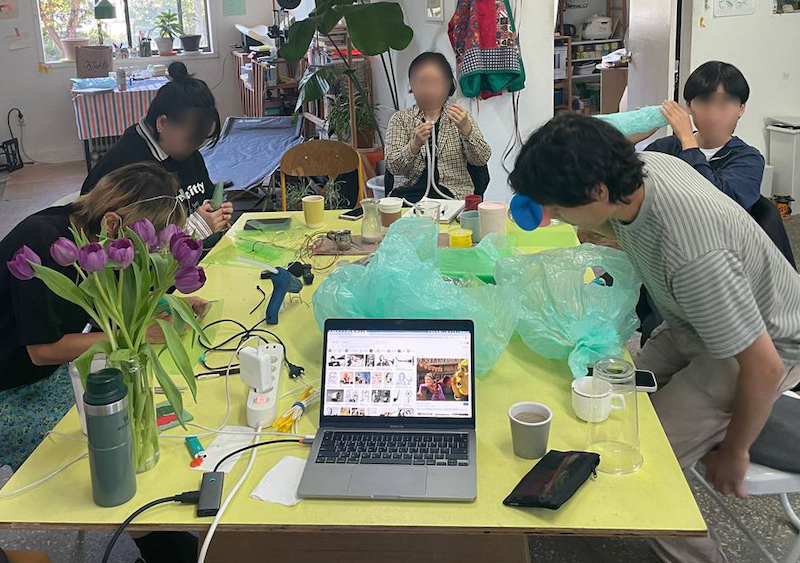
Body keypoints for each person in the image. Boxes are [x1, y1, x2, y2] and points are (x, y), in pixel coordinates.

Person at [510, 113, 800, 563]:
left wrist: (736, 451)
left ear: (598, 192)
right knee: (601, 392)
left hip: (757, 348)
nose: (554, 218)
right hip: (690, 320)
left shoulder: (694, 254)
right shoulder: (645, 169)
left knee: (637, 460)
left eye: (559, 209)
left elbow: (764, 367)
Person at [0, 162, 204, 391]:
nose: (149, 253)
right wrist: (139, 335)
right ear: (112, 223)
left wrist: (166, 304)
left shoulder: (97, 239)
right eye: (146, 243)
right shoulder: (41, 242)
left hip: (53, 366)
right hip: (15, 380)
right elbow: (42, 351)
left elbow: (107, 308)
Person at [80, 62, 233, 240]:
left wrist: (213, 212)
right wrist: (192, 230)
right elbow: (126, 243)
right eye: (189, 139)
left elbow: (203, 192)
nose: (195, 147)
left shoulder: (185, 152)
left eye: (200, 139)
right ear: (162, 123)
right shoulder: (128, 168)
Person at [646, 61, 763, 212]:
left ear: (741, 108)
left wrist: (688, 141)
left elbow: (716, 207)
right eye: (705, 101)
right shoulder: (665, 147)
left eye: (725, 102)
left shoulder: (749, 159)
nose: (713, 113)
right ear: (689, 106)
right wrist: (627, 141)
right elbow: (628, 188)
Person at [385, 52, 491, 202]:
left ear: (448, 85)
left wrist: (467, 130)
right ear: (412, 85)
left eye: (435, 82)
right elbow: (393, 167)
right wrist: (413, 146)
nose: (428, 89)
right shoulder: (400, 119)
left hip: (453, 196)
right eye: (421, 82)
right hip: (408, 197)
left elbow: (481, 159)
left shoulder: (460, 116)